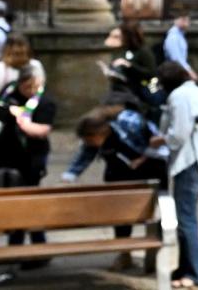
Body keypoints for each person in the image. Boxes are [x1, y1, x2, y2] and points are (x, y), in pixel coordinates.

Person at [66, 104, 170, 272]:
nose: (90, 144)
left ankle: (153, 257)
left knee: (155, 214)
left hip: (150, 171)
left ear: (98, 132)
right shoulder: (94, 137)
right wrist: (69, 176)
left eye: (89, 140)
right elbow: (85, 154)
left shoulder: (129, 122)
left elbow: (158, 141)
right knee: (121, 216)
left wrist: (143, 158)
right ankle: (124, 254)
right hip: (119, 173)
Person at [154, 62, 198, 288]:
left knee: (185, 220)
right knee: (187, 217)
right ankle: (186, 268)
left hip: (189, 162)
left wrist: (161, 139)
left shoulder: (179, 97)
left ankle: (197, 272)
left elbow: (179, 135)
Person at [0, 65, 56, 256]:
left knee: (30, 202)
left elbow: (43, 130)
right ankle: (17, 246)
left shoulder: (45, 101)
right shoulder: (8, 94)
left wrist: (23, 122)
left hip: (32, 159)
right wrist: (9, 111)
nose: (30, 91)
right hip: (7, 157)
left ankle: (37, 247)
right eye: (26, 87)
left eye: (34, 86)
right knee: (14, 201)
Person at [162, 15, 195, 80]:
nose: (186, 22)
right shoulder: (173, 37)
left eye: (187, 20)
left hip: (178, 71)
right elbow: (176, 58)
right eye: (183, 19)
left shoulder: (180, 35)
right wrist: (189, 71)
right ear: (176, 20)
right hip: (174, 73)